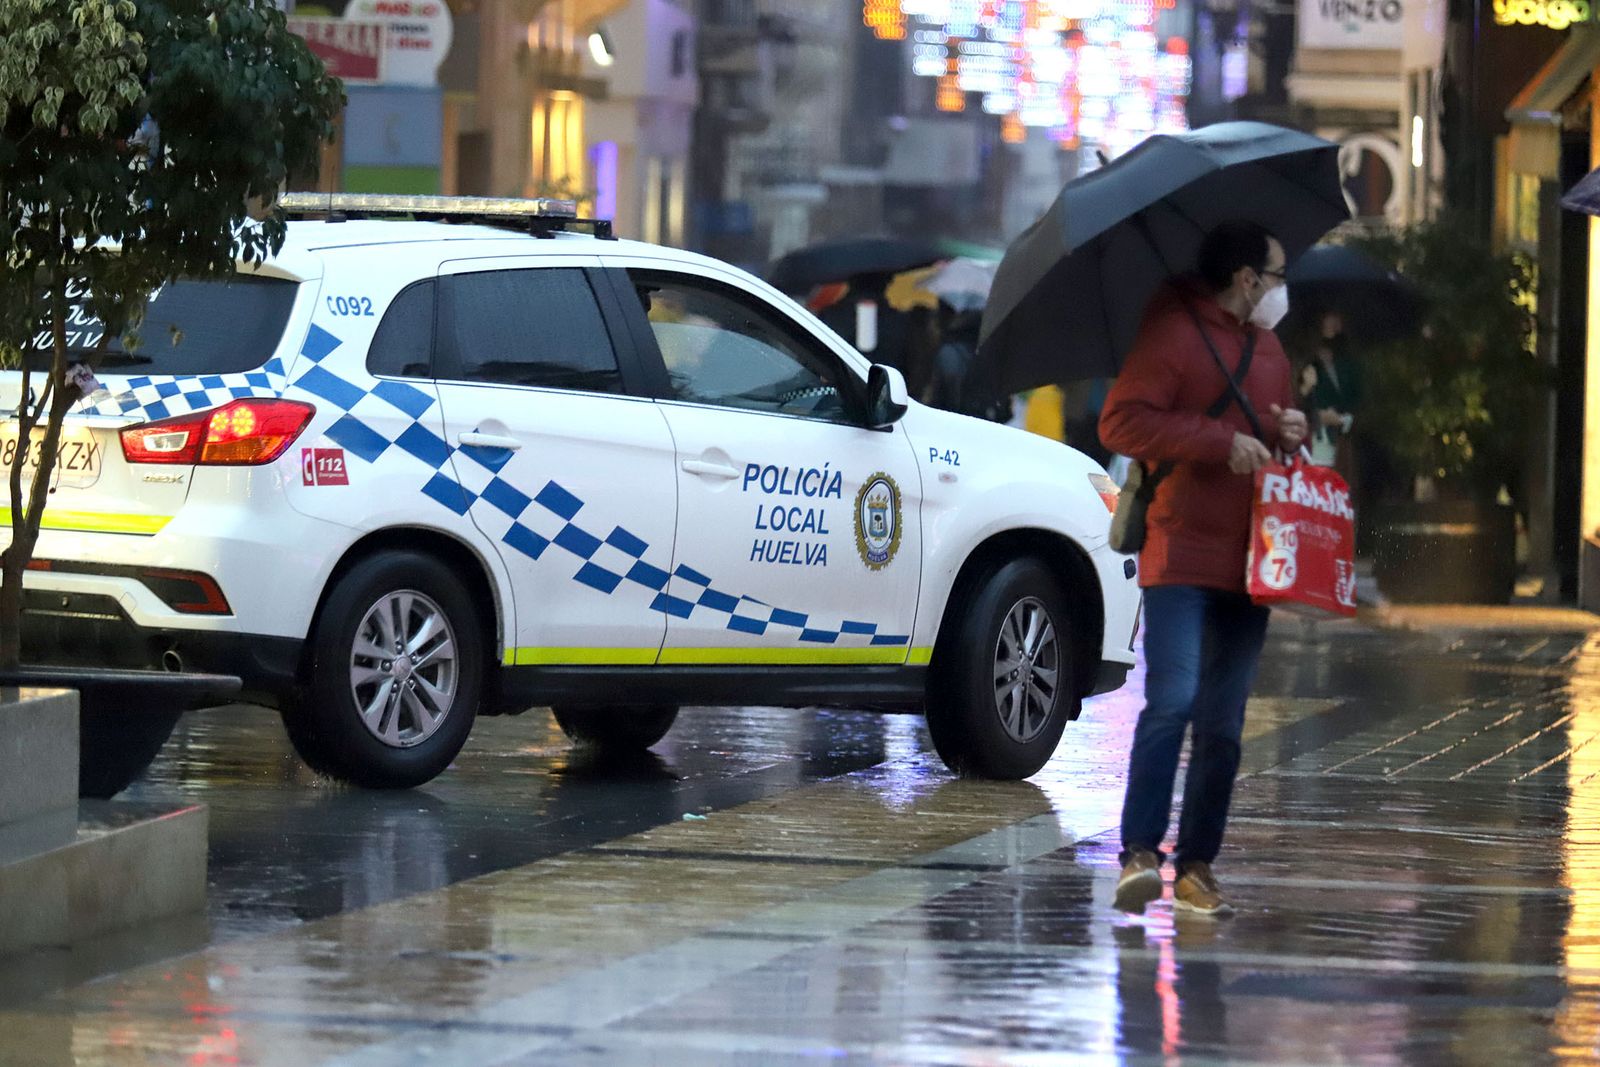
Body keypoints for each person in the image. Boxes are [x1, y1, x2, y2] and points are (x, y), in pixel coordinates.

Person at [1098, 220, 1308, 917]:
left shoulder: (1270, 347)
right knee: (1173, 700)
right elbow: (1120, 424)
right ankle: (1138, 852)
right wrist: (1220, 440)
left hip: (1254, 561)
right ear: (1247, 278)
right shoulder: (1172, 332)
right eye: (1276, 275)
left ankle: (1197, 864)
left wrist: (1286, 434)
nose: (1283, 289)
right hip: (1181, 551)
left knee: (1224, 722)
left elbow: (1271, 431)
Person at [817, 271, 912, 372]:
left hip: (844, 381)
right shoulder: (899, 320)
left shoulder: (830, 315)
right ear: (886, 283)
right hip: (887, 380)